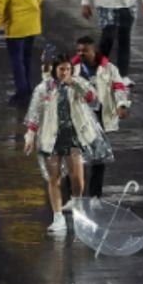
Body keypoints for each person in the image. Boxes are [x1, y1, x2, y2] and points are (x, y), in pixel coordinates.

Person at [25, 54, 113, 233]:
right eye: (61, 69)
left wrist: (75, 83)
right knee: (54, 179)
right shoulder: (44, 89)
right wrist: (30, 136)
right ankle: (58, 218)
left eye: (68, 69)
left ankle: (78, 207)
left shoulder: (78, 83)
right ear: (54, 70)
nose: (65, 72)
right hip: (51, 138)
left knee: (77, 179)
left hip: (73, 137)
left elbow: (93, 99)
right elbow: (34, 113)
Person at [72, 36, 130, 199]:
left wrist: (122, 105)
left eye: (85, 50)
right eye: (79, 51)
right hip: (78, 117)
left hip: (99, 116)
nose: (81, 53)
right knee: (74, 157)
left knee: (98, 157)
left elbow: (119, 87)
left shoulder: (109, 68)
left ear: (94, 50)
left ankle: (95, 196)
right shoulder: (71, 68)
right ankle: (74, 196)